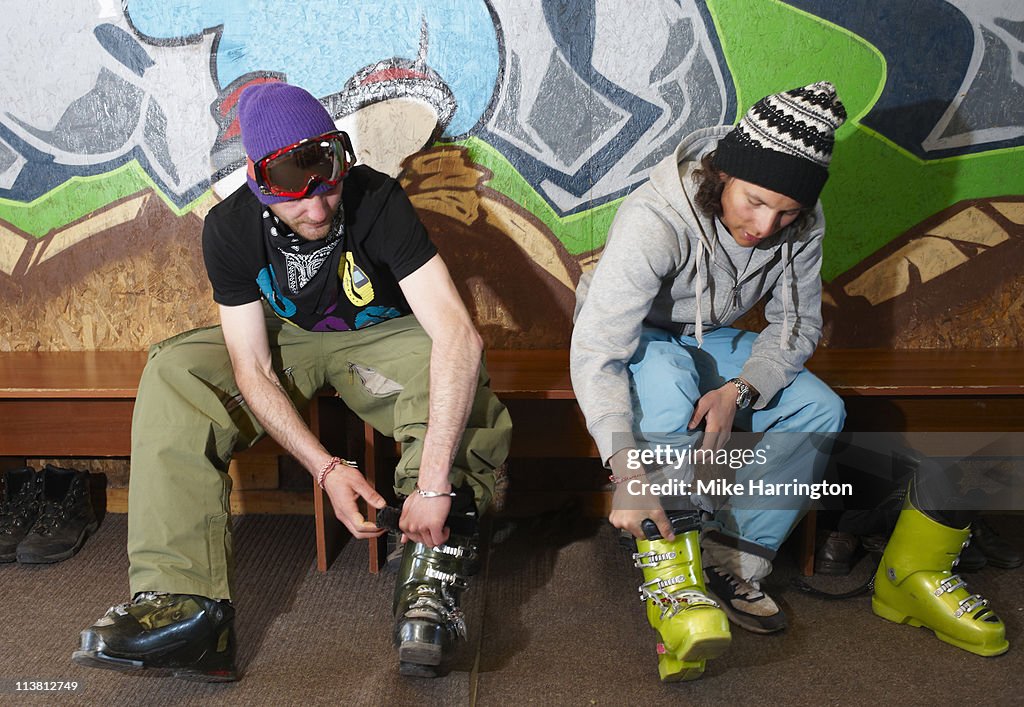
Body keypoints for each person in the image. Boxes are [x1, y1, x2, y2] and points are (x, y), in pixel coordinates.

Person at [71, 82, 512, 681]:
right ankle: (185, 608)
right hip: (289, 342)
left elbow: (458, 334)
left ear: (341, 160)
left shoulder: (376, 199)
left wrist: (432, 483)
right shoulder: (229, 229)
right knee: (176, 371)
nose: (317, 208)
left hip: (382, 337)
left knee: (459, 378)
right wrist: (327, 469)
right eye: (293, 198)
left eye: (327, 184)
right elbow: (251, 367)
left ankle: (430, 575)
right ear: (257, 181)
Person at [571, 82, 847, 681]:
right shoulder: (656, 216)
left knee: (820, 409)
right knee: (667, 385)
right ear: (724, 174)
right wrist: (624, 472)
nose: (766, 224)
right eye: (754, 201)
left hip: (707, 335)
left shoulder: (801, 221)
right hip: (633, 330)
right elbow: (597, 350)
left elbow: (796, 326)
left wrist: (739, 391)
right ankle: (673, 576)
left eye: (786, 212)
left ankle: (730, 561)